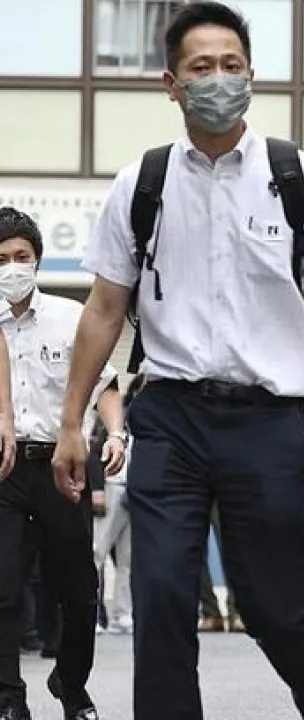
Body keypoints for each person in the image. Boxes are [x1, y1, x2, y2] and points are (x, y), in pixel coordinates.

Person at [50, 4, 304, 719]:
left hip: (267, 420)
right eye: (201, 68)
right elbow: (103, 311)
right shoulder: (143, 184)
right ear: (171, 84)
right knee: (160, 596)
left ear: (251, 75)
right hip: (171, 417)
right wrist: (72, 422)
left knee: (275, 606)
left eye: (231, 66)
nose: (218, 80)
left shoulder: (294, 175)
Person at [0, 206, 127, 720]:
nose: (12, 267)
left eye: (21, 257)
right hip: (5, 471)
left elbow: (106, 385)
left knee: (77, 590)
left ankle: (71, 686)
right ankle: (8, 697)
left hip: (60, 466)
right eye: (1, 259)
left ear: (38, 260)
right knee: (2, 588)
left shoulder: (72, 318)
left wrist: (116, 432)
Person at [93, 375, 148, 637]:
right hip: (113, 486)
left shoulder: (157, 421)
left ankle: (123, 614)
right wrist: (97, 489)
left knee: (128, 558)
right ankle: (93, 613)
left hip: (136, 492)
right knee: (97, 552)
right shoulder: (118, 418)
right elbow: (95, 451)